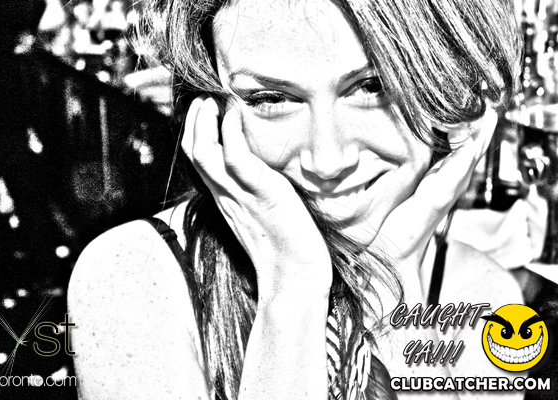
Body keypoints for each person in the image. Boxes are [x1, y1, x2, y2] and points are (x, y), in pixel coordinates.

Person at [68, 0, 526, 398]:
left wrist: (391, 285)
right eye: (271, 98)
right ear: (209, 111)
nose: (327, 160)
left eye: (373, 86)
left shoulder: (485, 297)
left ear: (450, 88)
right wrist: (293, 287)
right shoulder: (132, 276)